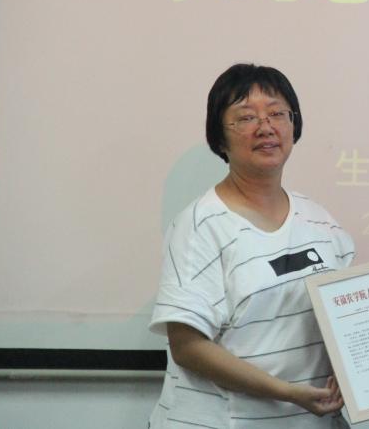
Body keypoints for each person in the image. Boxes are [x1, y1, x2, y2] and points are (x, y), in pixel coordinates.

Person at [148, 64, 354, 429]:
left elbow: (349, 322)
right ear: (219, 138)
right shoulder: (201, 225)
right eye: (245, 117)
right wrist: (286, 392)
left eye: (277, 113)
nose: (265, 127)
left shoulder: (321, 222)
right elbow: (187, 346)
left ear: (294, 125)